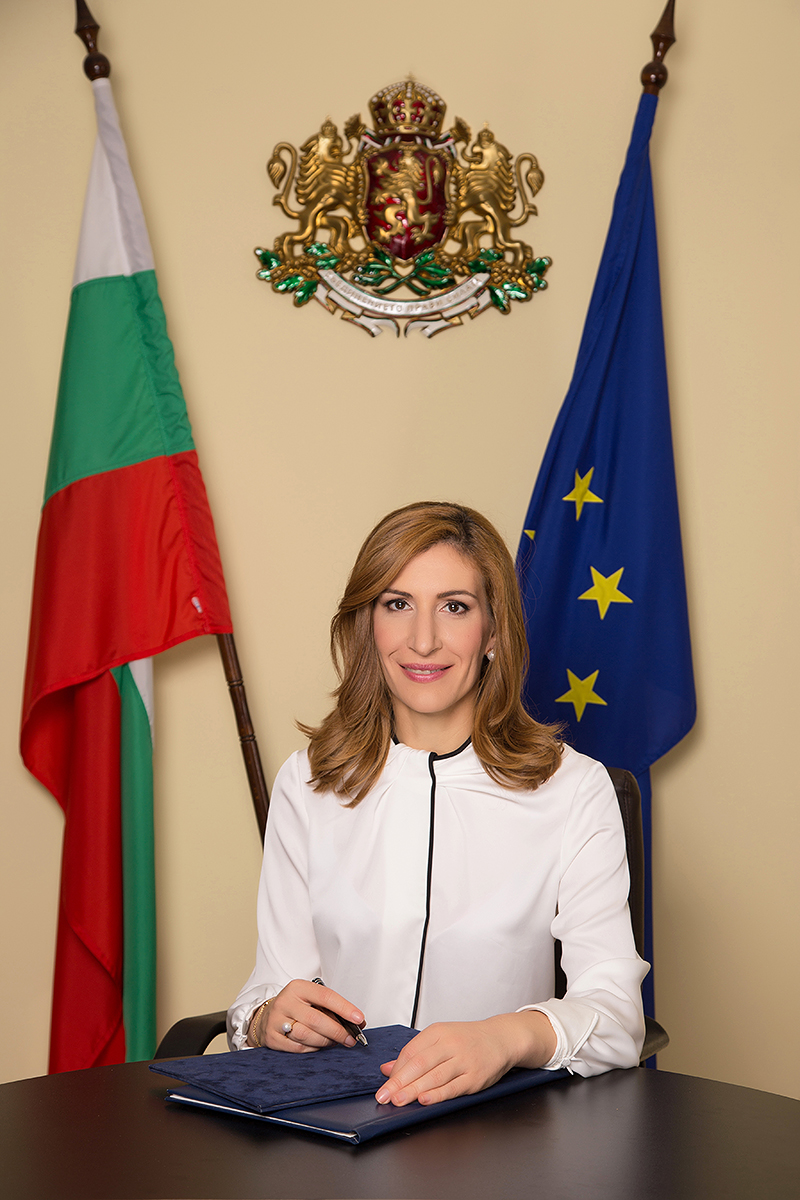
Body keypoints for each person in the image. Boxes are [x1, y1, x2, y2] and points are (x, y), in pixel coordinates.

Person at [228, 501, 647, 1106]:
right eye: (397, 605)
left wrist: (504, 1038)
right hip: (337, 1123)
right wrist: (267, 1017)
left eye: (454, 606)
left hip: (501, 1128)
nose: (423, 641)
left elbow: (617, 1016)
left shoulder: (574, 788)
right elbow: (267, 989)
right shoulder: (307, 782)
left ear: (494, 632)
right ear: (369, 625)